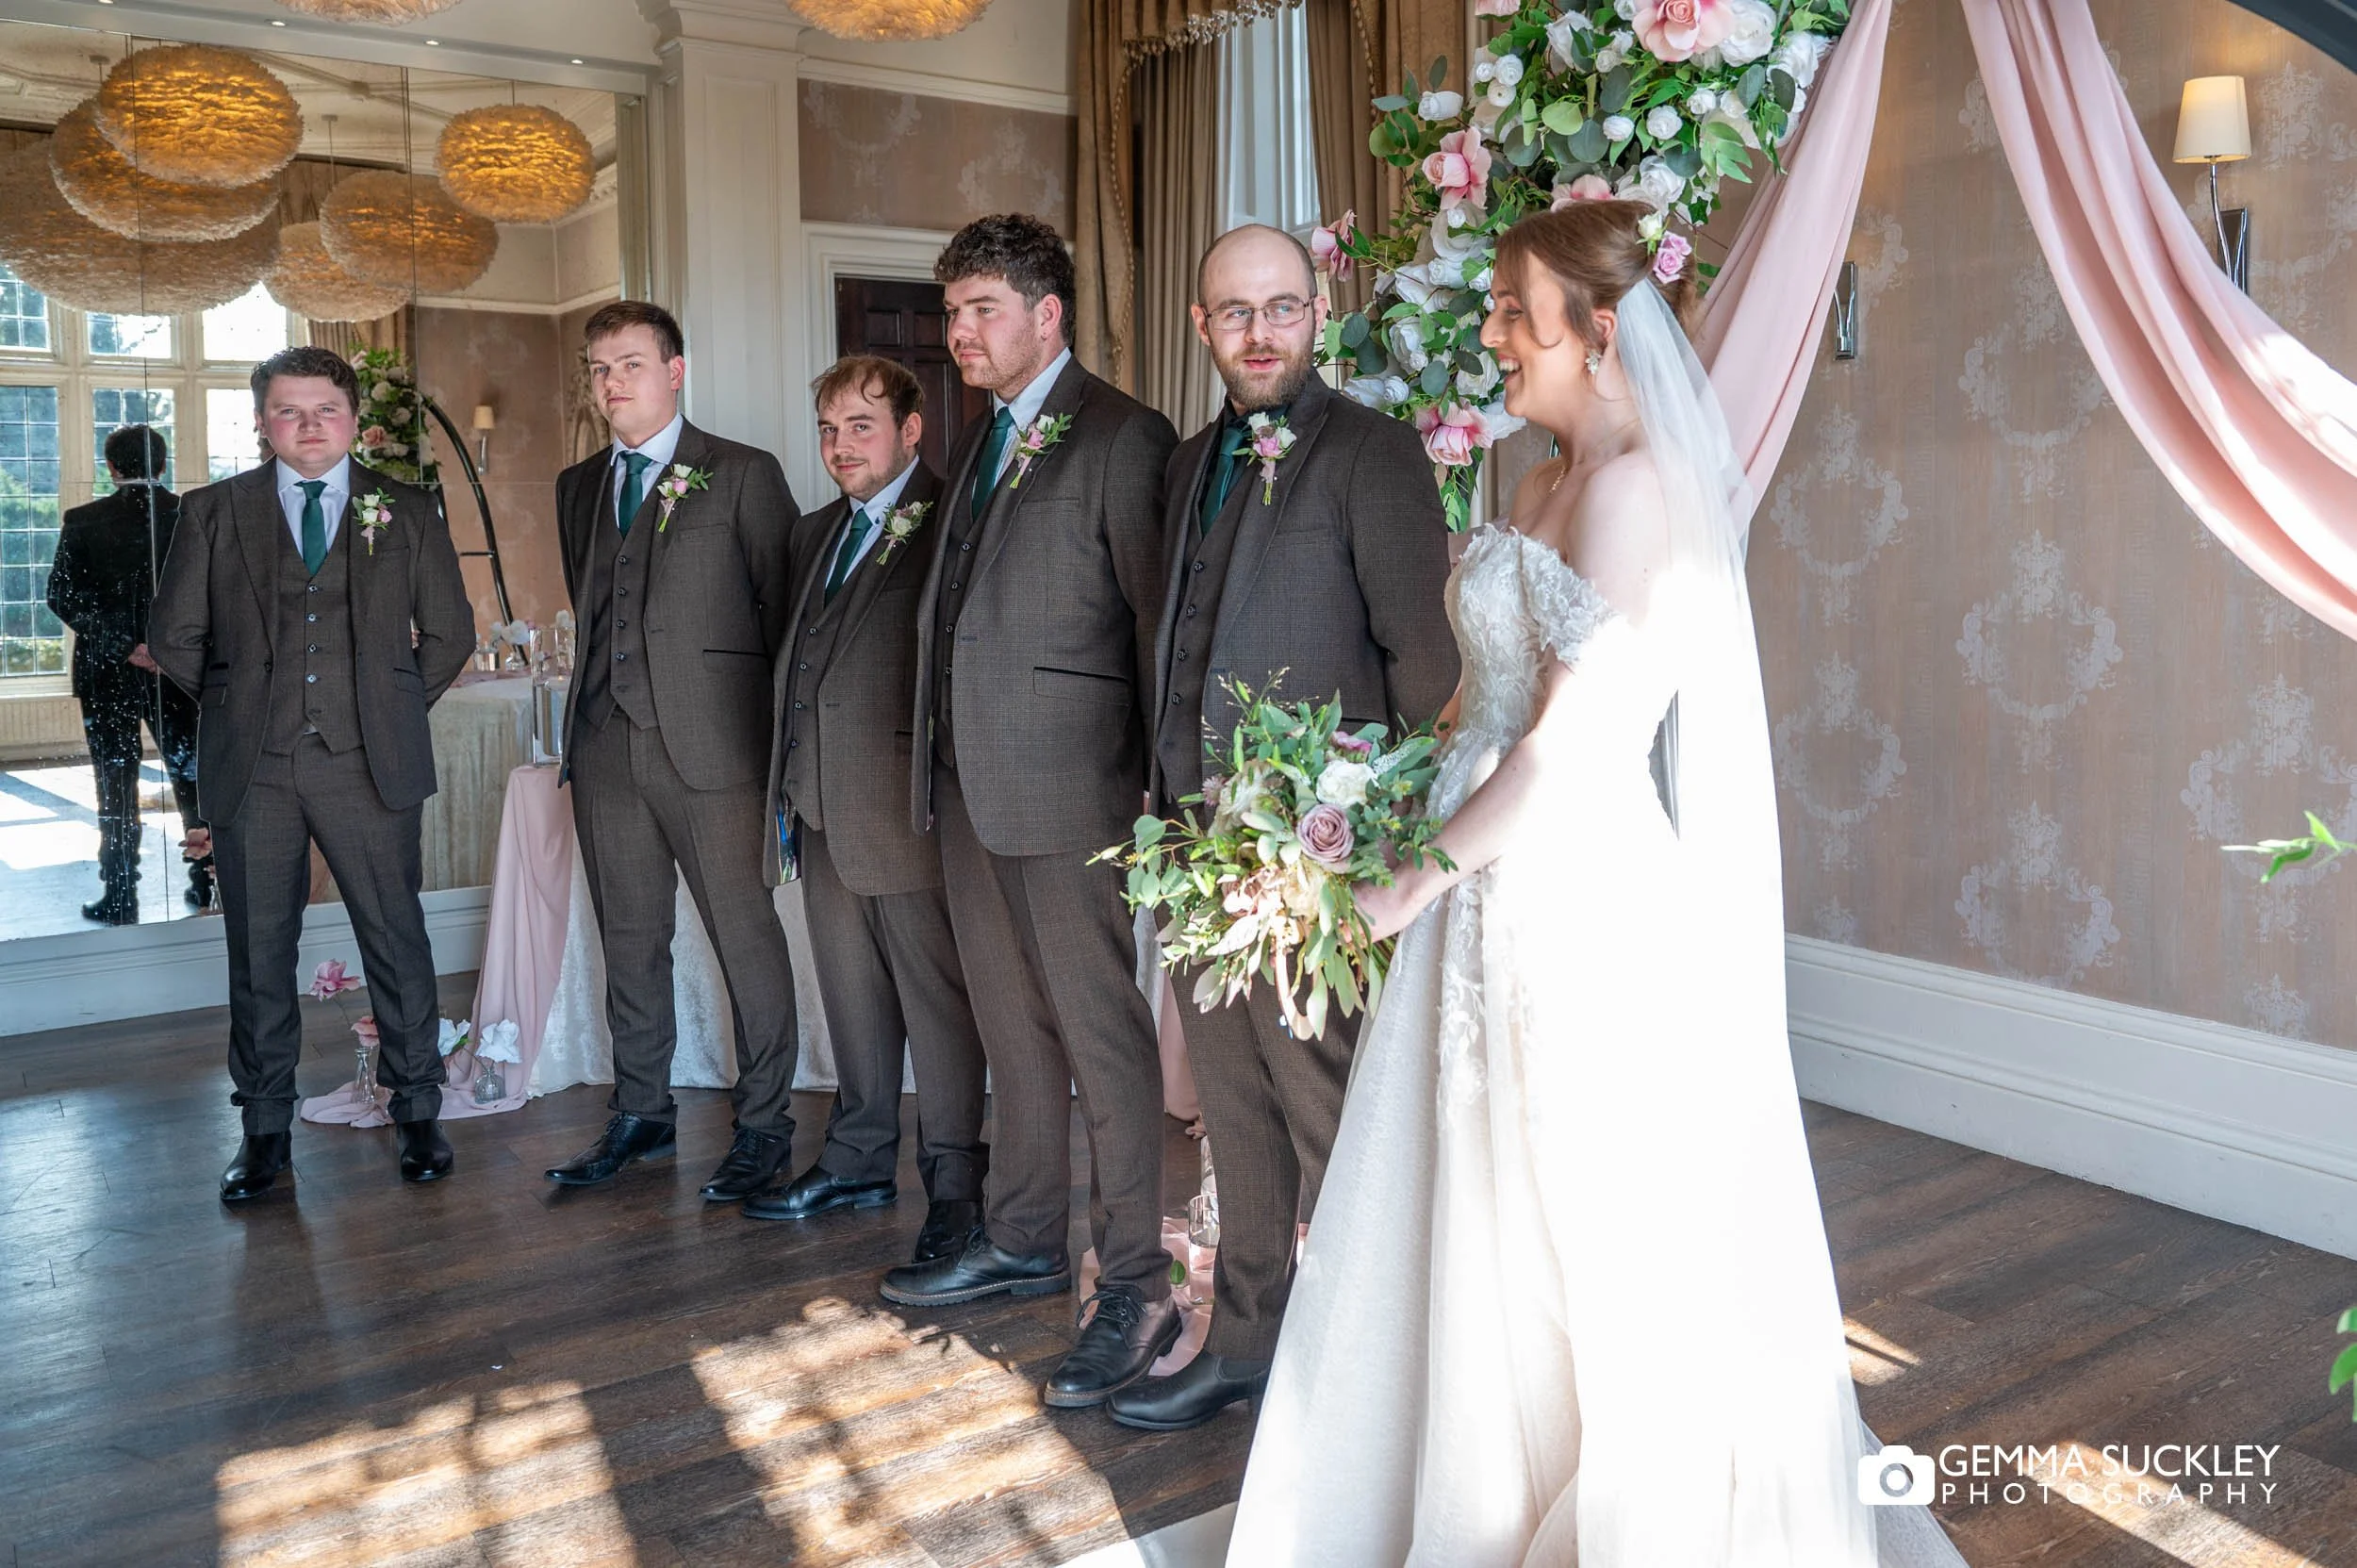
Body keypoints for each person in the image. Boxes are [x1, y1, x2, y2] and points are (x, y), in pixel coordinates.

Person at [1226, 204, 1969, 1565]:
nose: (1494, 331)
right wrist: (1349, 795)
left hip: (1577, 899)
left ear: (1600, 330)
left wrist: (1398, 888)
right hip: (1480, 884)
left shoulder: (1638, 493)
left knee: (1584, 1215)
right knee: (1479, 1199)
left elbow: (1568, 748)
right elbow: (1480, 707)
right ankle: (1472, 1484)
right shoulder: (1530, 479)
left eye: (1516, 309)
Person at [1108, 225, 1459, 1434]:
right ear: (1201, 327)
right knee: (1233, 1112)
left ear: (1320, 312)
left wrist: (1366, 832)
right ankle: (1247, 1342)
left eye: (1281, 309)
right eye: (1233, 313)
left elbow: (1427, 670)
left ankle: (1380, 1374)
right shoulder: (1185, 461)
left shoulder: (1374, 455)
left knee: (1331, 1114)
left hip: (1318, 857)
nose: (1259, 334)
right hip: (1201, 849)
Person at [879, 213, 1182, 1412]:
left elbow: (1157, 628)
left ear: (1046, 315)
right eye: (951, 313)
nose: (957, 333)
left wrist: (1156, 792)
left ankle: (1139, 1283)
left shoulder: (1122, 435)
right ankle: (1020, 1238)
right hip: (963, 793)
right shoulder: (984, 436)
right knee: (1013, 1032)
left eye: (979, 311)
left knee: (1104, 1045)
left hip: (1073, 794)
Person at [149, 346, 474, 1202]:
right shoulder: (214, 511)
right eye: (288, 411)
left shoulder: (405, 508)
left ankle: (418, 1111)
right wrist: (242, 700)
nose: (308, 425)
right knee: (259, 951)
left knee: (395, 939)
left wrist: (386, 709)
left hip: (370, 763)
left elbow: (448, 633)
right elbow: (176, 633)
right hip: (253, 769)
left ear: (354, 418)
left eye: (325, 409)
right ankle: (263, 1132)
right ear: (261, 421)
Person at [544, 301, 807, 1202]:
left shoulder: (741, 473)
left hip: (718, 750)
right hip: (606, 747)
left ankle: (766, 1123)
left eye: (630, 364)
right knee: (628, 937)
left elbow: (785, 620)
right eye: (599, 369)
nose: (612, 382)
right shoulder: (578, 487)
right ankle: (642, 1110)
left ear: (676, 371)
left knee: (746, 937)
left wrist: (781, 760)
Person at [744, 355, 990, 1264]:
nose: (840, 446)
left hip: (907, 813)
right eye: (828, 429)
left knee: (937, 1009)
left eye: (862, 426)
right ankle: (857, 1158)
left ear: (910, 431)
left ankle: (956, 1186)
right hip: (817, 808)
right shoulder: (814, 534)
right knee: (850, 998)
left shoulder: (949, 522)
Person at [47, 424, 207, 923]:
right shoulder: (191, 516)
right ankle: (206, 883)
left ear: (112, 467)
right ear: (162, 466)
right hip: (179, 670)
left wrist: (125, 646)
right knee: (192, 775)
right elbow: (215, 595)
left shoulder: (83, 520)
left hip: (106, 672)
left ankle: (120, 892)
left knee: (114, 779)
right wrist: (164, 647)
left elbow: (63, 596)